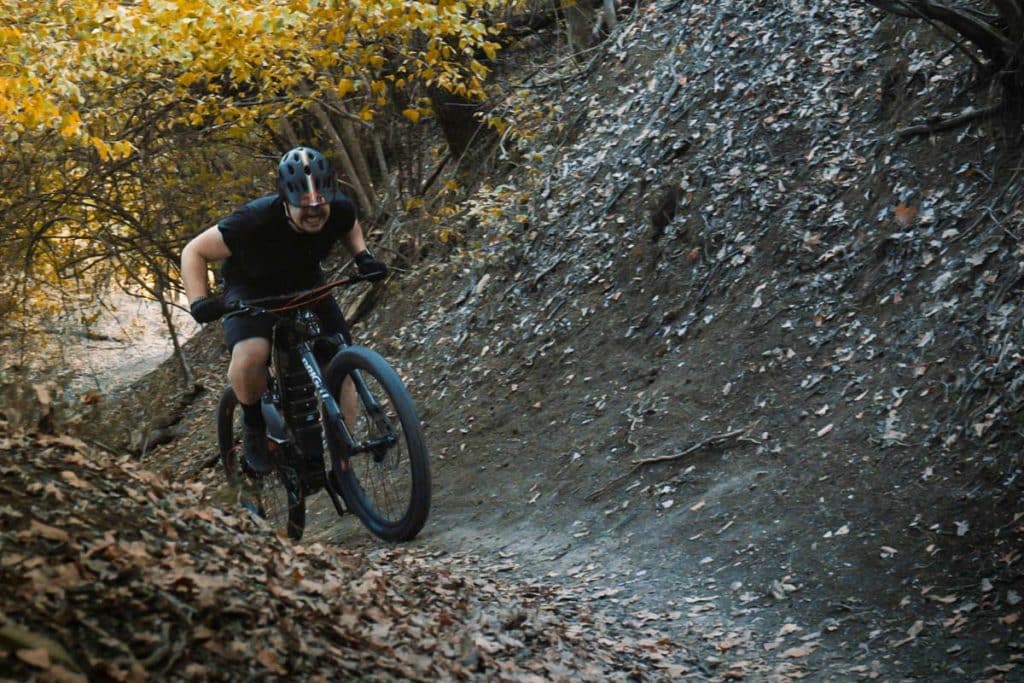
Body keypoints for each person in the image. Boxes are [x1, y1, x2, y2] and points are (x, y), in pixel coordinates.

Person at [180, 146, 387, 474]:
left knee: (341, 362)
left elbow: (349, 226)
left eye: (321, 204)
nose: (315, 212)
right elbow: (194, 251)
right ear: (285, 199)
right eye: (304, 207)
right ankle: (253, 424)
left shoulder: (338, 208)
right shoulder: (254, 219)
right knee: (251, 355)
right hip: (251, 291)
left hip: (307, 286)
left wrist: (363, 257)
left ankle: (343, 464)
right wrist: (199, 301)